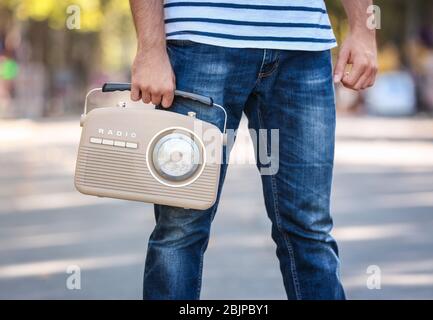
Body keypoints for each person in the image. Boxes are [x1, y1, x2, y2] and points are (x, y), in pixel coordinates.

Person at [129, 0, 378, 300]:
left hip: (302, 45)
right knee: (180, 225)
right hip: (201, 37)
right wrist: (150, 48)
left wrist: (364, 30)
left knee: (310, 228)